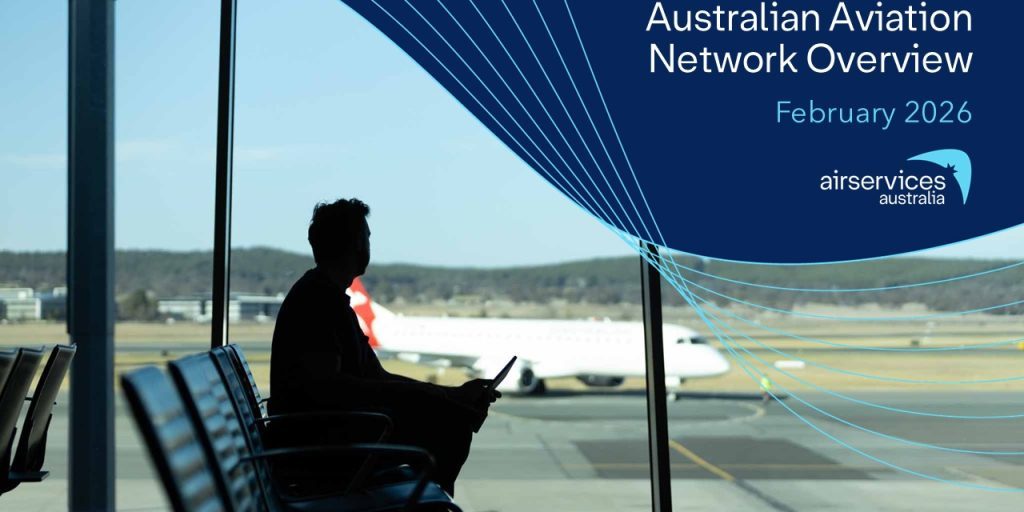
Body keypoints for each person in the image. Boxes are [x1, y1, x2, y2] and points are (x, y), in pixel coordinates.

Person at [269, 198, 499, 495]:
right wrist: (440, 399)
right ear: (352, 245)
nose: (369, 246)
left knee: (448, 414)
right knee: (448, 423)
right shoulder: (320, 303)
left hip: (323, 435)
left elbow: (373, 379)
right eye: (366, 237)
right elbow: (330, 388)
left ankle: (431, 496)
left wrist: (448, 394)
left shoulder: (323, 297)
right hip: (322, 446)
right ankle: (433, 500)